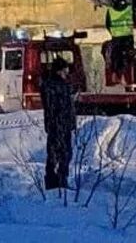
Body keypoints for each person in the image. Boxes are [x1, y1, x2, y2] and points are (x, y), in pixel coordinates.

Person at [40, 56, 76, 191]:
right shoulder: (54, 85)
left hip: (61, 124)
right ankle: (57, 181)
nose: (67, 72)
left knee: (62, 153)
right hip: (58, 124)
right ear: (60, 70)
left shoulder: (56, 85)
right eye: (65, 69)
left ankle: (58, 180)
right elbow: (56, 106)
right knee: (60, 153)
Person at [105, 0, 135, 86]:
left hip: (116, 38)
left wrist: (114, 33)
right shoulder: (130, 9)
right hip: (128, 38)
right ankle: (124, 77)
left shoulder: (110, 10)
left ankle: (116, 76)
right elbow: (134, 20)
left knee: (116, 57)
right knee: (127, 58)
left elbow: (108, 24)